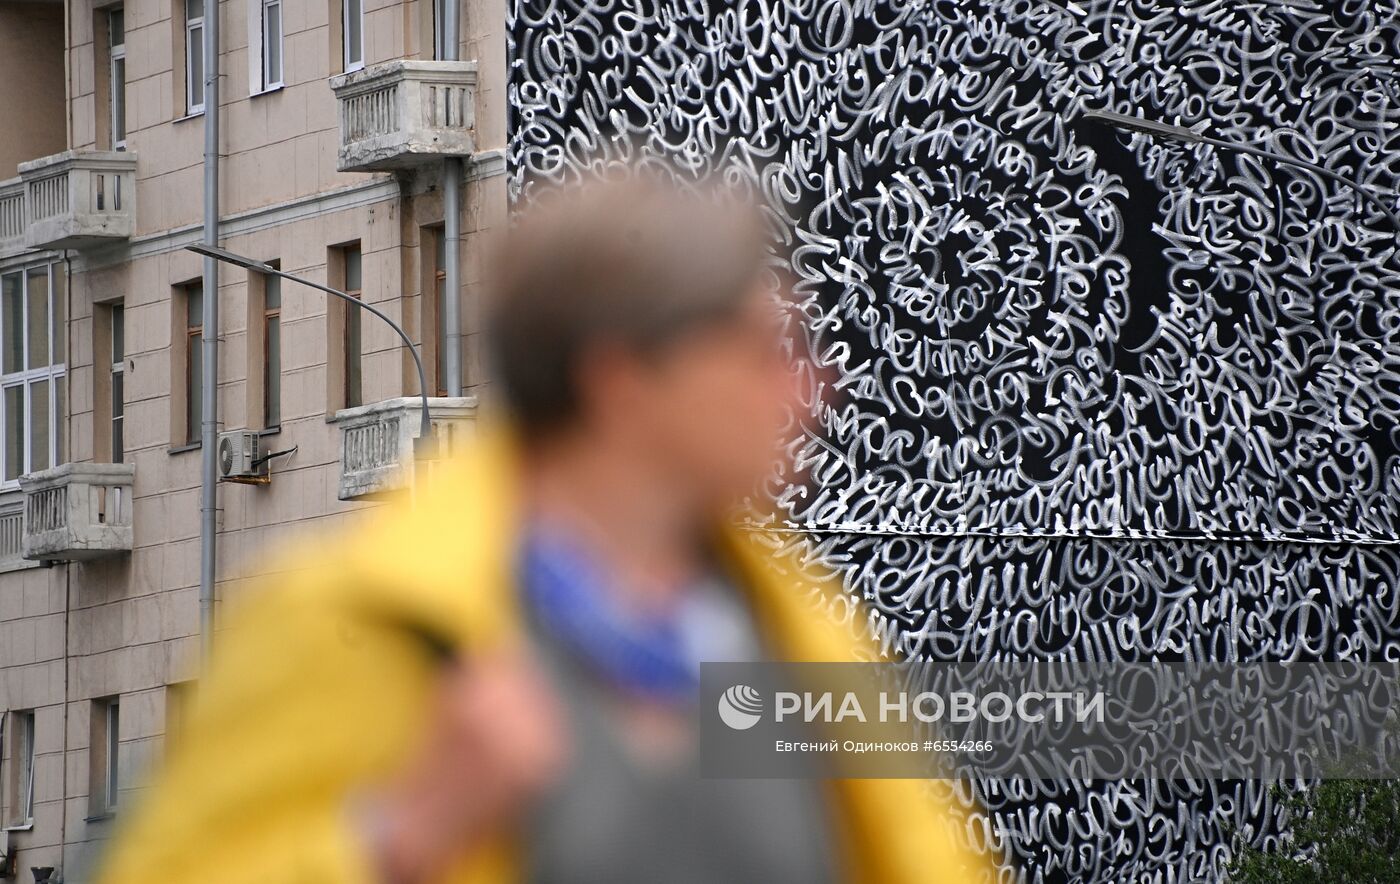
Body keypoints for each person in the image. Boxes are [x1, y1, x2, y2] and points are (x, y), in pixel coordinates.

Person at [97, 172, 999, 884]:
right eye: (763, 351)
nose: (813, 388)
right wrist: (396, 837)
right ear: (622, 380)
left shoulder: (798, 626)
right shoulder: (356, 621)